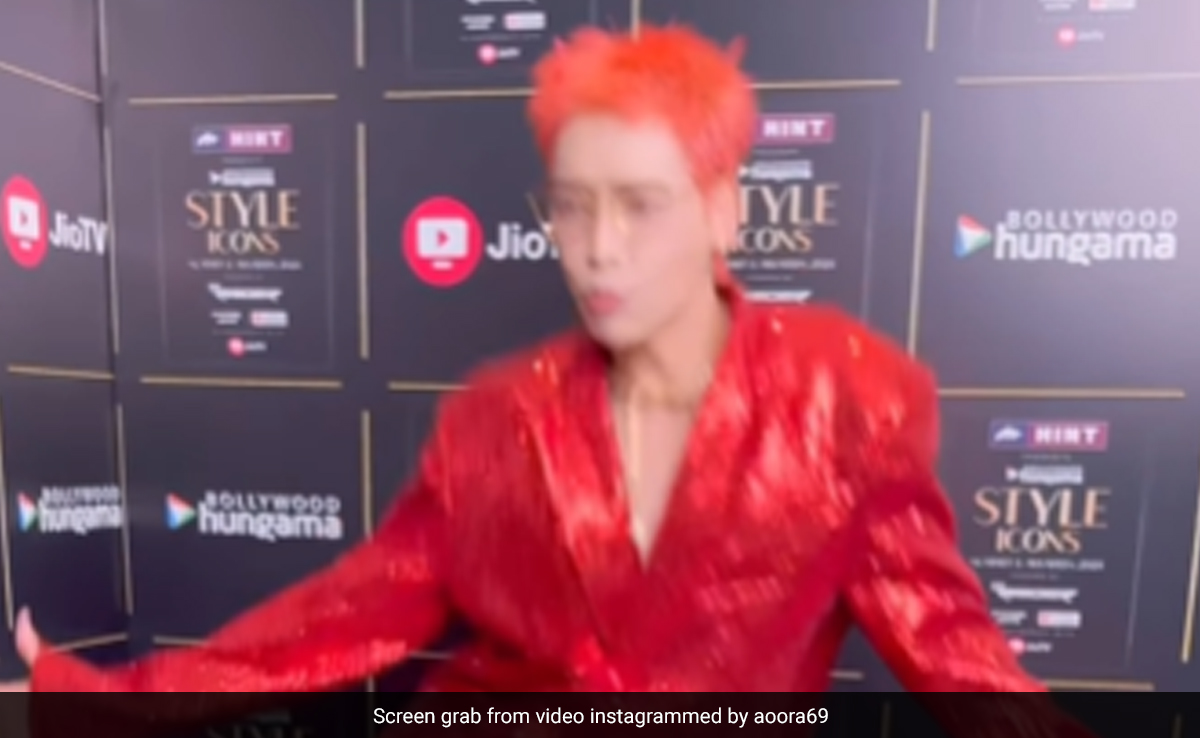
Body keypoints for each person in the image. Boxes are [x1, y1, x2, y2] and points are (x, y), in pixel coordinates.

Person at [7, 24, 1046, 696]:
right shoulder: (494, 419)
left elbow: (955, 655)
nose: (598, 248)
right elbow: (338, 620)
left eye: (640, 205)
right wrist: (98, 698)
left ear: (724, 210)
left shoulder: (847, 400)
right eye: (571, 207)